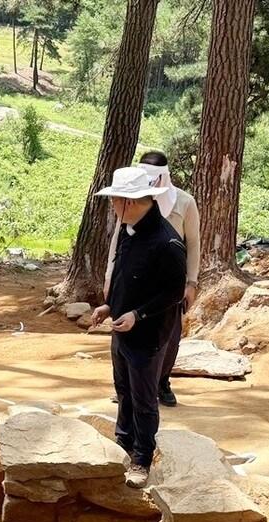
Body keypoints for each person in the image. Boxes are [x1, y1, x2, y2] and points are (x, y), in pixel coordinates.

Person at [90, 166, 187, 490]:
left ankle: (142, 458)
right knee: (123, 391)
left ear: (128, 202)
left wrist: (138, 315)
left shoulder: (167, 242)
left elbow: (173, 293)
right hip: (122, 329)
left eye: (115, 202)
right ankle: (122, 443)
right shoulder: (129, 233)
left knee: (144, 399)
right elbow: (123, 279)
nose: (113, 208)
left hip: (147, 335)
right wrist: (110, 307)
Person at [104, 149, 201, 407]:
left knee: (167, 336)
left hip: (168, 278)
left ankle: (161, 381)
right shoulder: (129, 205)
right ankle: (127, 386)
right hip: (134, 279)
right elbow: (118, 241)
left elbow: (193, 243)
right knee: (124, 334)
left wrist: (191, 283)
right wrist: (110, 280)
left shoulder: (184, 203)